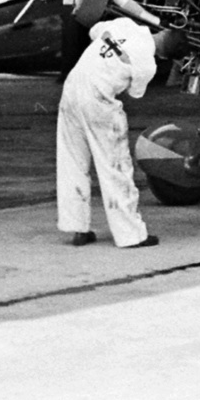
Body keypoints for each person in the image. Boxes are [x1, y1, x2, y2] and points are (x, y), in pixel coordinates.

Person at [56, 16, 172, 248]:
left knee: (72, 160)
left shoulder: (125, 24)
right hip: (98, 99)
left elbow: (95, 31)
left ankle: (77, 227)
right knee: (115, 166)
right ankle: (130, 235)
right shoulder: (147, 64)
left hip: (72, 90)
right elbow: (134, 93)